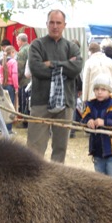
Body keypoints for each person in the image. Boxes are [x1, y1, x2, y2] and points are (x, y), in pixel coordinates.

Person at [27, 9, 82, 163]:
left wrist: (51, 64)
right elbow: (36, 69)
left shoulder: (72, 47)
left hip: (65, 102)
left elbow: (76, 68)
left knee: (60, 148)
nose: (55, 26)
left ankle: (56, 182)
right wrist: (66, 66)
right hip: (40, 102)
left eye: (58, 23)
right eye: (52, 22)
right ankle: (33, 182)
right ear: (47, 24)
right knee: (34, 148)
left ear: (64, 25)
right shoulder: (37, 45)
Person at [81, 74, 112, 178]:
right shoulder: (91, 105)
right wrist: (88, 120)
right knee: (100, 182)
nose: (99, 92)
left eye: (103, 89)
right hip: (97, 150)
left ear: (109, 90)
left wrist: (105, 122)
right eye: (97, 89)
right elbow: (84, 117)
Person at [0, 45, 19, 134]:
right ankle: (8, 129)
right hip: (10, 86)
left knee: (1, 106)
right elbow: (14, 75)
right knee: (10, 107)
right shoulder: (13, 62)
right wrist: (16, 87)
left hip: (1, 85)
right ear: (12, 52)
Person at [16, 33, 31, 122]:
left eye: (17, 40)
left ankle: (25, 121)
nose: (17, 42)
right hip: (31, 81)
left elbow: (20, 69)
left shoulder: (22, 52)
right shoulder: (31, 48)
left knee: (23, 102)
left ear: (20, 41)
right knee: (29, 102)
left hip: (24, 81)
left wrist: (16, 80)